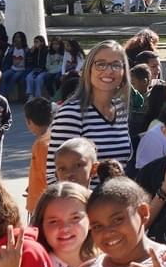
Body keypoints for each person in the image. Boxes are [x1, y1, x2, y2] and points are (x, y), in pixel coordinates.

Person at [50, 40, 135, 170]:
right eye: (101, 64)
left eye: (116, 65)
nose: (108, 71)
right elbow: (53, 173)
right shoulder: (71, 114)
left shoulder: (121, 110)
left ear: (124, 72)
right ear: (88, 70)